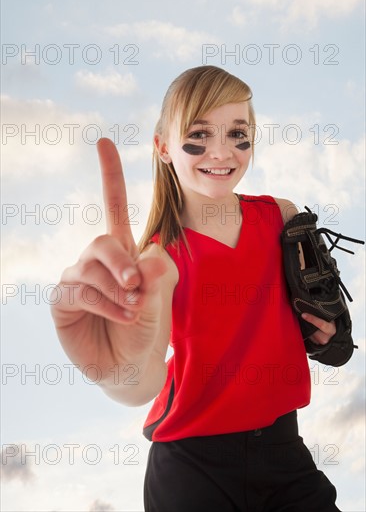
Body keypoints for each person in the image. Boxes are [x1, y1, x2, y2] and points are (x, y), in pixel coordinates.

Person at [51, 66, 342, 511]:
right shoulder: (156, 262)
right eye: (199, 134)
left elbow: (322, 314)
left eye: (237, 133)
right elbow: (143, 379)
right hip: (192, 466)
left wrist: (330, 334)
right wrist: (115, 373)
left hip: (286, 453)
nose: (221, 152)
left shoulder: (281, 217)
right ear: (163, 147)